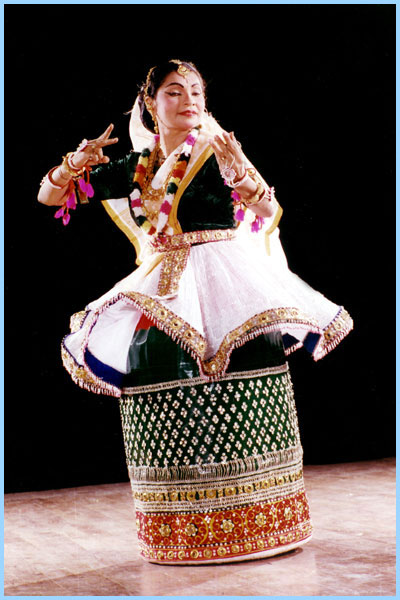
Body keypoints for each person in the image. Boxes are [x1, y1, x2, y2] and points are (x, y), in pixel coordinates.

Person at [38, 59, 353, 565]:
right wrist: (75, 163)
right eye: (174, 91)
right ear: (150, 103)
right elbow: (48, 195)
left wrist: (242, 174)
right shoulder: (138, 166)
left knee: (238, 388)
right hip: (163, 283)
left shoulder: (215, 149)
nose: (189, 100)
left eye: (196, 92)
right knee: (164, 390)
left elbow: (266, 210)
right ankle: (181, 533)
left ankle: (265, 522)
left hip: (224, 278)